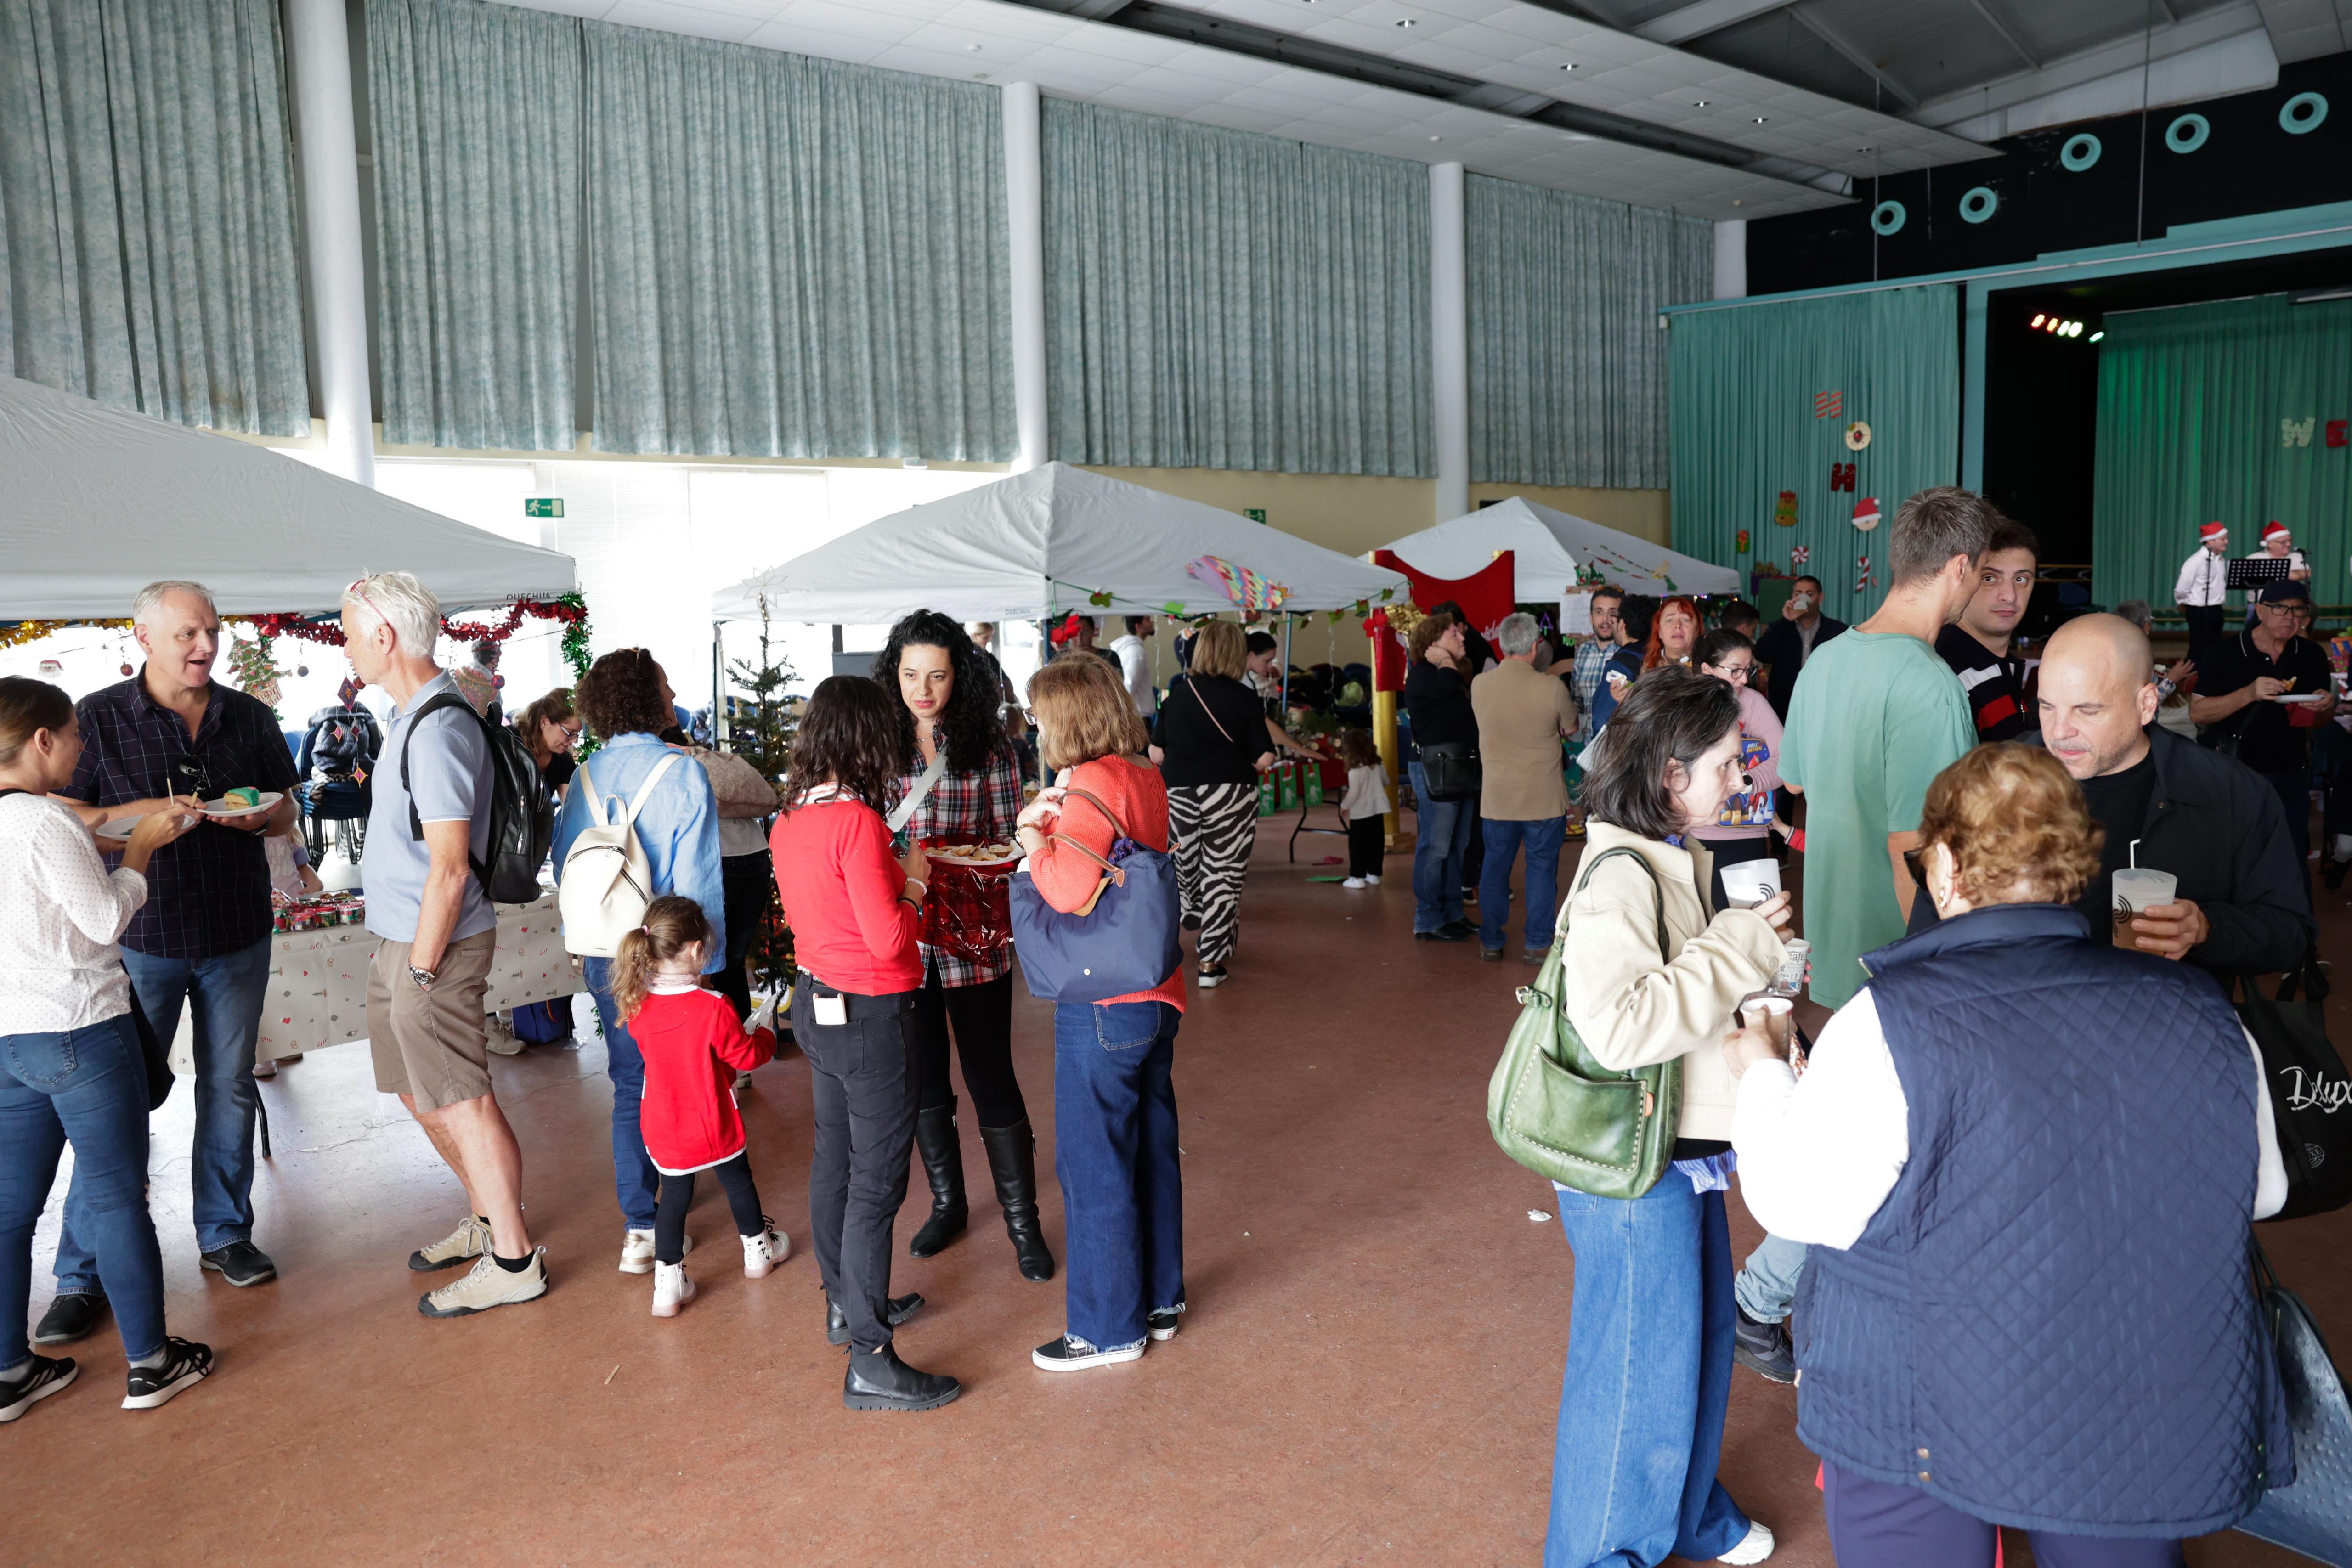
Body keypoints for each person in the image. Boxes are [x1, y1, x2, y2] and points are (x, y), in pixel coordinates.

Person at [1729, 743, 2288, 1568]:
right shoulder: (2201, 1010)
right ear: (2074, 867)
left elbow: (1798, 1202)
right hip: (2134, 1391)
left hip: (1917, 1406)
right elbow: (2261, 1188)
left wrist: (1764, 1069)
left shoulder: (1889, 1021)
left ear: (1948, 866)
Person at [1548, 666, 1792, 1568]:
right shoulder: (1622, 873)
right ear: (1668, 777)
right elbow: (1618, 1029)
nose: (1742, 779)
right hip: (1631, 1164)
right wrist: (1736, 947)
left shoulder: (1672, 859)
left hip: (1676, 1149)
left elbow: (1676, 1010)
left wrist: (1754, 1035)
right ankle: (1605, 1553)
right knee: (1634, 1383)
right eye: (1729, 764)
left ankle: (1685, 1511)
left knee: (1691, 1351)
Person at [43, 580, 297, 1340]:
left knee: (229, 1088)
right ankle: (80, 1273)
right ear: (145, 635)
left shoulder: (248, 714)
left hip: (236, 930)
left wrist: (262, 813)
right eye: (189, 632)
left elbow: (288, 802)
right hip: (141, 936)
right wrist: (142, 827)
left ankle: (224, 1233)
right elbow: (65, 818)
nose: (205, 645)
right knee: (117, 1104)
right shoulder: (97, 717)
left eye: (212, 631)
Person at [1, 678, 215, 1418]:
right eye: (73, 734)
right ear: (41, 742)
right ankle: (152, 1363)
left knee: (9, 1208)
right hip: (82, 1026)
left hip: (10, 1036)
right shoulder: (42, 823)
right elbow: (100, 921)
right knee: (119, 1196)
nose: (82, 746)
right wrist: (142, 856)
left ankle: (9, 1370)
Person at [339, 572, 548, 1315]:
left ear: (384, 636)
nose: (346, 643)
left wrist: (422, 966)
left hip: (436, 946)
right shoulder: (412, 714)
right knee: (418, 1090)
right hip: (403, 940)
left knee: (463, 1099)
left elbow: (451, 867)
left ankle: (515, 1257)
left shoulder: (437, 727)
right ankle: (489, 1218)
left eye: (349, 629)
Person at [1907, 614, 2315, 977]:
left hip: (2163, 1042)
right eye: (2047, 707)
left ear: (2146, 704)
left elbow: (2291, 935)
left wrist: (2207, 928)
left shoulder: (2227, 792)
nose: (2059, 733)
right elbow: (1927, 935)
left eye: (2087, 710)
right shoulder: (1994, 785)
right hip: (2021, 1037)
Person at [770, 677, 953, 1411]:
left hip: (818, 1006)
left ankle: (846, 1304)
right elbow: (886, 940)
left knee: (835, 1161)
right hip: (877, 1015)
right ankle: (871, 1359)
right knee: (878, 1184)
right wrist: (914, 883)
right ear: (868, 738)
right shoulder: (859, 823)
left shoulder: (790, 818)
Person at [1013, 653, 1187, 1372]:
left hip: (1103, 1000)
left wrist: (1032, 840)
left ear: (1065, 717)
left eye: (1039, 714)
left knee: (1094, 1165)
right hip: (1156, 990)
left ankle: (1106, 1327)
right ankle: (1159, 1299)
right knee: (1150, 1149)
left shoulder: (1088, 784)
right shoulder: (1141, 772)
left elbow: (1065, 890)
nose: (1034, 726)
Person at [874, 611, 1052, 1280]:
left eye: (938, 675)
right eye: (911, 674)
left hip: (972, 930)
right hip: (901, 932)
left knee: (990, 1071)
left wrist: (965, 858)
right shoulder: (877, 743)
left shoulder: (990, 747)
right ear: (894, 672)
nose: (923, 689)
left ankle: (1022, 1221)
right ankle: (948, 1202)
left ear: (960, 675)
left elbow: (1009, 837)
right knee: (923, 1076)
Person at [1779, 489, 1991, 1009]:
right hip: (1899, 970)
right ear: (1959, 567)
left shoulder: (1824, 661)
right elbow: (1915, 849)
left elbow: (1794, 782)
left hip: (1837, 947)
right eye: (1984, 574)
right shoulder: (1929, 684)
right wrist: (1937, 970)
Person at [553, 649, 725, 1275]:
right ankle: (683, 1182)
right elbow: (699, 880)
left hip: (604, 948)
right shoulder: (682, 774)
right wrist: (706, 961)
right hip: (666, 950)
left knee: (630, 1080)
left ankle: (640, 1224)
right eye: (665, 683)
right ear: (648, 699)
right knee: (679, 1075)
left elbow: (565, 860)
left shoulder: (585, 775)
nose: (675, 688)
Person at [606, 895, 789, 1318]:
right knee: (738, 1181)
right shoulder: (714, 1007)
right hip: (712, 1119)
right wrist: (766, 1038)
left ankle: (667, 1288)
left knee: (673, 1199)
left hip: (664, 1124)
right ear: (694, 950)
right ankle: (758, 1253)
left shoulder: (637, 1005)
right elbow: (744, 1057)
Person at [1154, 622, 1275, 985]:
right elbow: (1265, 757)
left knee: (1182, 862)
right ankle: (1210, 963)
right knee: (1224, 872)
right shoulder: (1244, 696)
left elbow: (1156, 753)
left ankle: (1190, 909)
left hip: (1178, 791)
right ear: (1237, 654)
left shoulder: (1177, 694)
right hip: (1231, 791)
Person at [2193, 580, 2338, 867]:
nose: (2289, 616)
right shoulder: (2224, 653)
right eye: (2279, 608)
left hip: (2290, 773)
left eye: (2298, 610)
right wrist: (2249, 693)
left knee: (2290, 858)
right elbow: (2198, 714)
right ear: (2260, 611)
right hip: (2233, 771)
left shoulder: (2311, 655)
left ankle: (2293, 912)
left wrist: (2325, 707)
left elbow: (2318, 723)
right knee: (2230, 855)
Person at [1469, 613, 1577, 964]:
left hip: (1497, 799)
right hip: (1543, 799)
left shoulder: (1479, 685)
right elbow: (1571, 728)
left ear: (1502, 645)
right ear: (1535, 647)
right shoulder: (1551, 688)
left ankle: (1491, 941)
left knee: (1495, 870)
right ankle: (1537, 944)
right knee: (1542, 869)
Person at [665, 733, 778, 1027]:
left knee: (710, 961)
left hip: (717, 861)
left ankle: (718, 1039)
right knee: (735, 959)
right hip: (755, 856)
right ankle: (738, 1041)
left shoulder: (670, 764)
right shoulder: (710, 758)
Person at [1690, 629, 1784, 912]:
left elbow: (1787, 761)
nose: (1744, 679)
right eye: (1735, 671)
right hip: (1692, 837)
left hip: (1746, 835)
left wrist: (1745, 782)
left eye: (1748, 670)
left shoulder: (1753, 703)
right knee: (1699, 931)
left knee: (1754, 930)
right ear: (1706, 669)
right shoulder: (1681, 704)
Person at [1403, 613, 1477, 944]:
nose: (1462, 638)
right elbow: (1447, 688)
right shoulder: (1423, 674)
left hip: (1459, 767)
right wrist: (1445, 659)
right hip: (1436, 769)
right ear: (1432, 643)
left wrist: (1448, 660)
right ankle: (1428, 917)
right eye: (1453, 635)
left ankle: (1453, 913)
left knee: (1457, 847)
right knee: (1436, 847)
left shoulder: (1451, 673)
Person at [1934, 517, 2037, 742]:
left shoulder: (2001, 666)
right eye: (1990, 578)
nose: (2010, 596)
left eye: (2021, 579)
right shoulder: (1945, 672)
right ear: (1963, 579)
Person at [1753, 576, 1846, 722]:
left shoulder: (1837, 630)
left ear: (1820, 598)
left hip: (1825, 704)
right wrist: (1786, 621)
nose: (1803, 598)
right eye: (1798, 594)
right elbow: (1762, 653)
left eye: (1810, 594)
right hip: (1786, 704)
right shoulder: (1781, 628)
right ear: (1792, 597)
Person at [1244, 631, 1318, 764]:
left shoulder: (1247, 680)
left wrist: (1300, 749)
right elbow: (1262, 722)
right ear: (1251, 655)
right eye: (1267, 661)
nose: (1270, 666)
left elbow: (1262, 721)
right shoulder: (1240, 682)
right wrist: (1300, 749)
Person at [1569, 588, 1627, 748]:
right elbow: (1576, 698)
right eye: (1599, 612)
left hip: (1618, 750)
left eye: (1613, 613)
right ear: (1591, 617)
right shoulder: (1583, 652)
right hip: (1587, 747)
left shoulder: (1628, 655)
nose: (1606, 619)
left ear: (1622, 619)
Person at [1338, 727, 1389, 889]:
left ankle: (1357, 877)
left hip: (1361, 813)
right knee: (1376, 843)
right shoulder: (1378, 764)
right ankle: (1374, 874)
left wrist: (1344, 806)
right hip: (1378, 810)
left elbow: (1354, 793)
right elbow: (1386, 781)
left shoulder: (1355, 771)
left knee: (1358, 845)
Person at [2174, 520, 2230, 662]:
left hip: (2216, 609)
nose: (2227, 542)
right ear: (2211, 541)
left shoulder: (2221, 560)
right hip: (2199, 610)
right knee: (2198, 648)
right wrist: (2185, 603)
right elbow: (2182, 588)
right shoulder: (2196, 561)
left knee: (2214, 647)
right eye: (2223, 539)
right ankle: (2194, 678)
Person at [514, 688, 581, 799]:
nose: (575, 741)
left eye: (577, 734)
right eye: (570, 733)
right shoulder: (508, 743)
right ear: (544, 723)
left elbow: (570, 808)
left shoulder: (563, 760)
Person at [1108, 616, 1158, 731]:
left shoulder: (1131, 649)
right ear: (1139, 627)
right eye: (1147, 620)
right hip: (1138, 717)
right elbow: (1130, 685)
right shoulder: (1136, 651)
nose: (1152, 622)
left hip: (1134, 714)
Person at [1642, 596, 1702, 673]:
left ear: (1697, 629)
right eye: (1670, 620)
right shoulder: (1648, 669)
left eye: (1686, 620)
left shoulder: (1709, 668)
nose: (1678, 625)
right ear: (1659, 631)